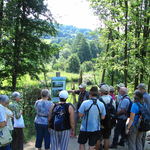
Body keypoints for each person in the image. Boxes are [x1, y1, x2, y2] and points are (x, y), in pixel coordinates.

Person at [95, 85, 116, 150]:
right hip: (109, 122)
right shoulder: (112, 100)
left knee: (98, 138)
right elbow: (114, 110)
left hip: (101, 122)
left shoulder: (99, 100)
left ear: (101, 92)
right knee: (106, 138)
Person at [137, 83, 150, 147]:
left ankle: (141, 147)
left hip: (144, 117)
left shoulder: (144, 96)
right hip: (147, 116)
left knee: (142, 134)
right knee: (143, 134)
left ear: (140, 89)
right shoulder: (147, 95)